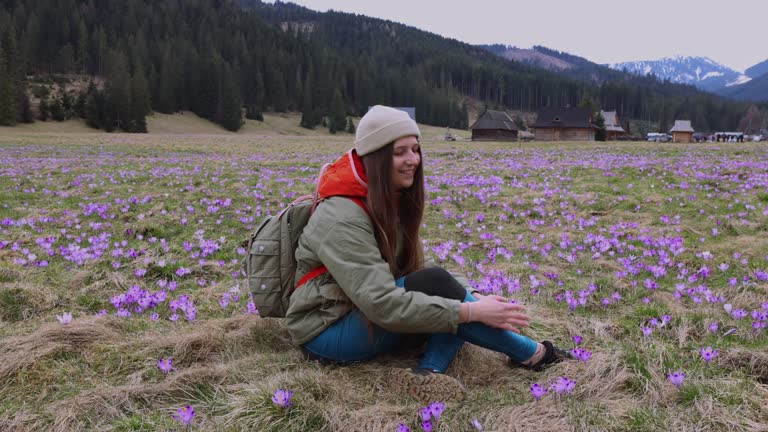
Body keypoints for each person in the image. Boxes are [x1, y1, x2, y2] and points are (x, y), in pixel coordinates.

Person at [285, 105, 572, 401]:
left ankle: (425, 375)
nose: (413, 160)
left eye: (415, 149)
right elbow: (382, 304)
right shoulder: (341, 216)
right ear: (376, 156)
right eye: (400, 152)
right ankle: (535, 355)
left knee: (445, 296)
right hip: (327, 330)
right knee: (448, 302)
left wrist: (470, 294)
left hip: (362, 312)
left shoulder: (386, 196)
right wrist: (471, 309)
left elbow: (419, 270)